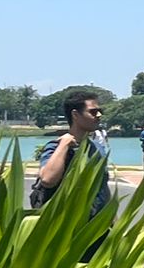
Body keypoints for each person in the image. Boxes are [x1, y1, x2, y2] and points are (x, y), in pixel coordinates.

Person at [34, 92, 114, 256]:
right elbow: (48, 179)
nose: (99, 115)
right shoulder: (56, 147)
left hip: (96, 231)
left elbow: (102, 188)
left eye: (99, 111)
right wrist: (64, 145)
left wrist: (112, 219)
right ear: (75, 115)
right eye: (92, 112)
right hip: (66, 234)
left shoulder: (95, 149)